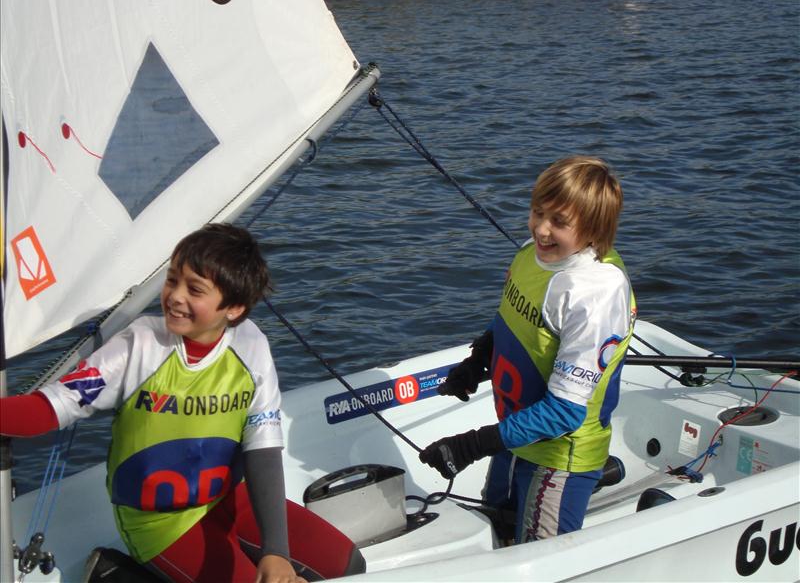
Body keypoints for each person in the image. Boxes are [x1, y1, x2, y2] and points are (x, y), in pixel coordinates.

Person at [1, 223, 364, 582]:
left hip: (228, 499)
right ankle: (116, 574)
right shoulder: (137, 347)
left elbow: (262, 450)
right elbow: (45, 411)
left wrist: (276, 552)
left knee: (348, 565)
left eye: (195, 289)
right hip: (161, 522)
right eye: (173, 280)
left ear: (233, 308)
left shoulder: (251, 345)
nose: (175, 296)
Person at [419, 156, 636, 544]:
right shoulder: (533, 254)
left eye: (559, 222)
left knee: (534, 560)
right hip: (515, 435)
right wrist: (477, 360)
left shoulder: (595, 293)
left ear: (593, 229)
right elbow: (512, 318)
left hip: (557, 454)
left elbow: (565, 412)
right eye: (537, 212)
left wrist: (471, 445)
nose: (541, 229)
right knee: (495, 530)